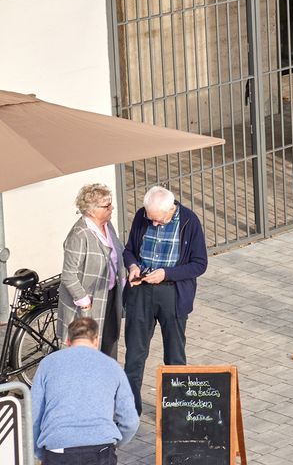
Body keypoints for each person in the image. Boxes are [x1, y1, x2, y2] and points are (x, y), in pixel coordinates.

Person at [122, 185, 207, 415]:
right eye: (151, 219)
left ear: (171, 209)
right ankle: (130, 412)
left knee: (175, 355)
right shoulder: (143, 215)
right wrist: (131, 265)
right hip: (141, 291)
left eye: (159, 220)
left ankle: (176, 412)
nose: (154, 224)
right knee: (134, 356)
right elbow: (129, 250)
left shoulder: (189, 221)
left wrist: (166, 274)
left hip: (173, 293)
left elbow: (199, 264)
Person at [31, 317, 138, 464]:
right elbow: (130, 421)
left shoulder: (47, 364)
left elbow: (34, 415)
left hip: (58, 448)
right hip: (101, 449)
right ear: (96, 340)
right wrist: (113, 443)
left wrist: (40, 453)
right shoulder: (112, 366)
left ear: (68, 341)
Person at [58, 183, 124, 359]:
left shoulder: (108, 226)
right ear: (91, 210)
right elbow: (69, 274)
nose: (112, 208)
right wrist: (84, 301)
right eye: (107, 206)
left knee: (109, 343)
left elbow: (116, 254)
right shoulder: (79, 235)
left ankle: (107, 381)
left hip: (109, 295)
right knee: (87, 351)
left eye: (111, 203)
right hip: (88, 303)